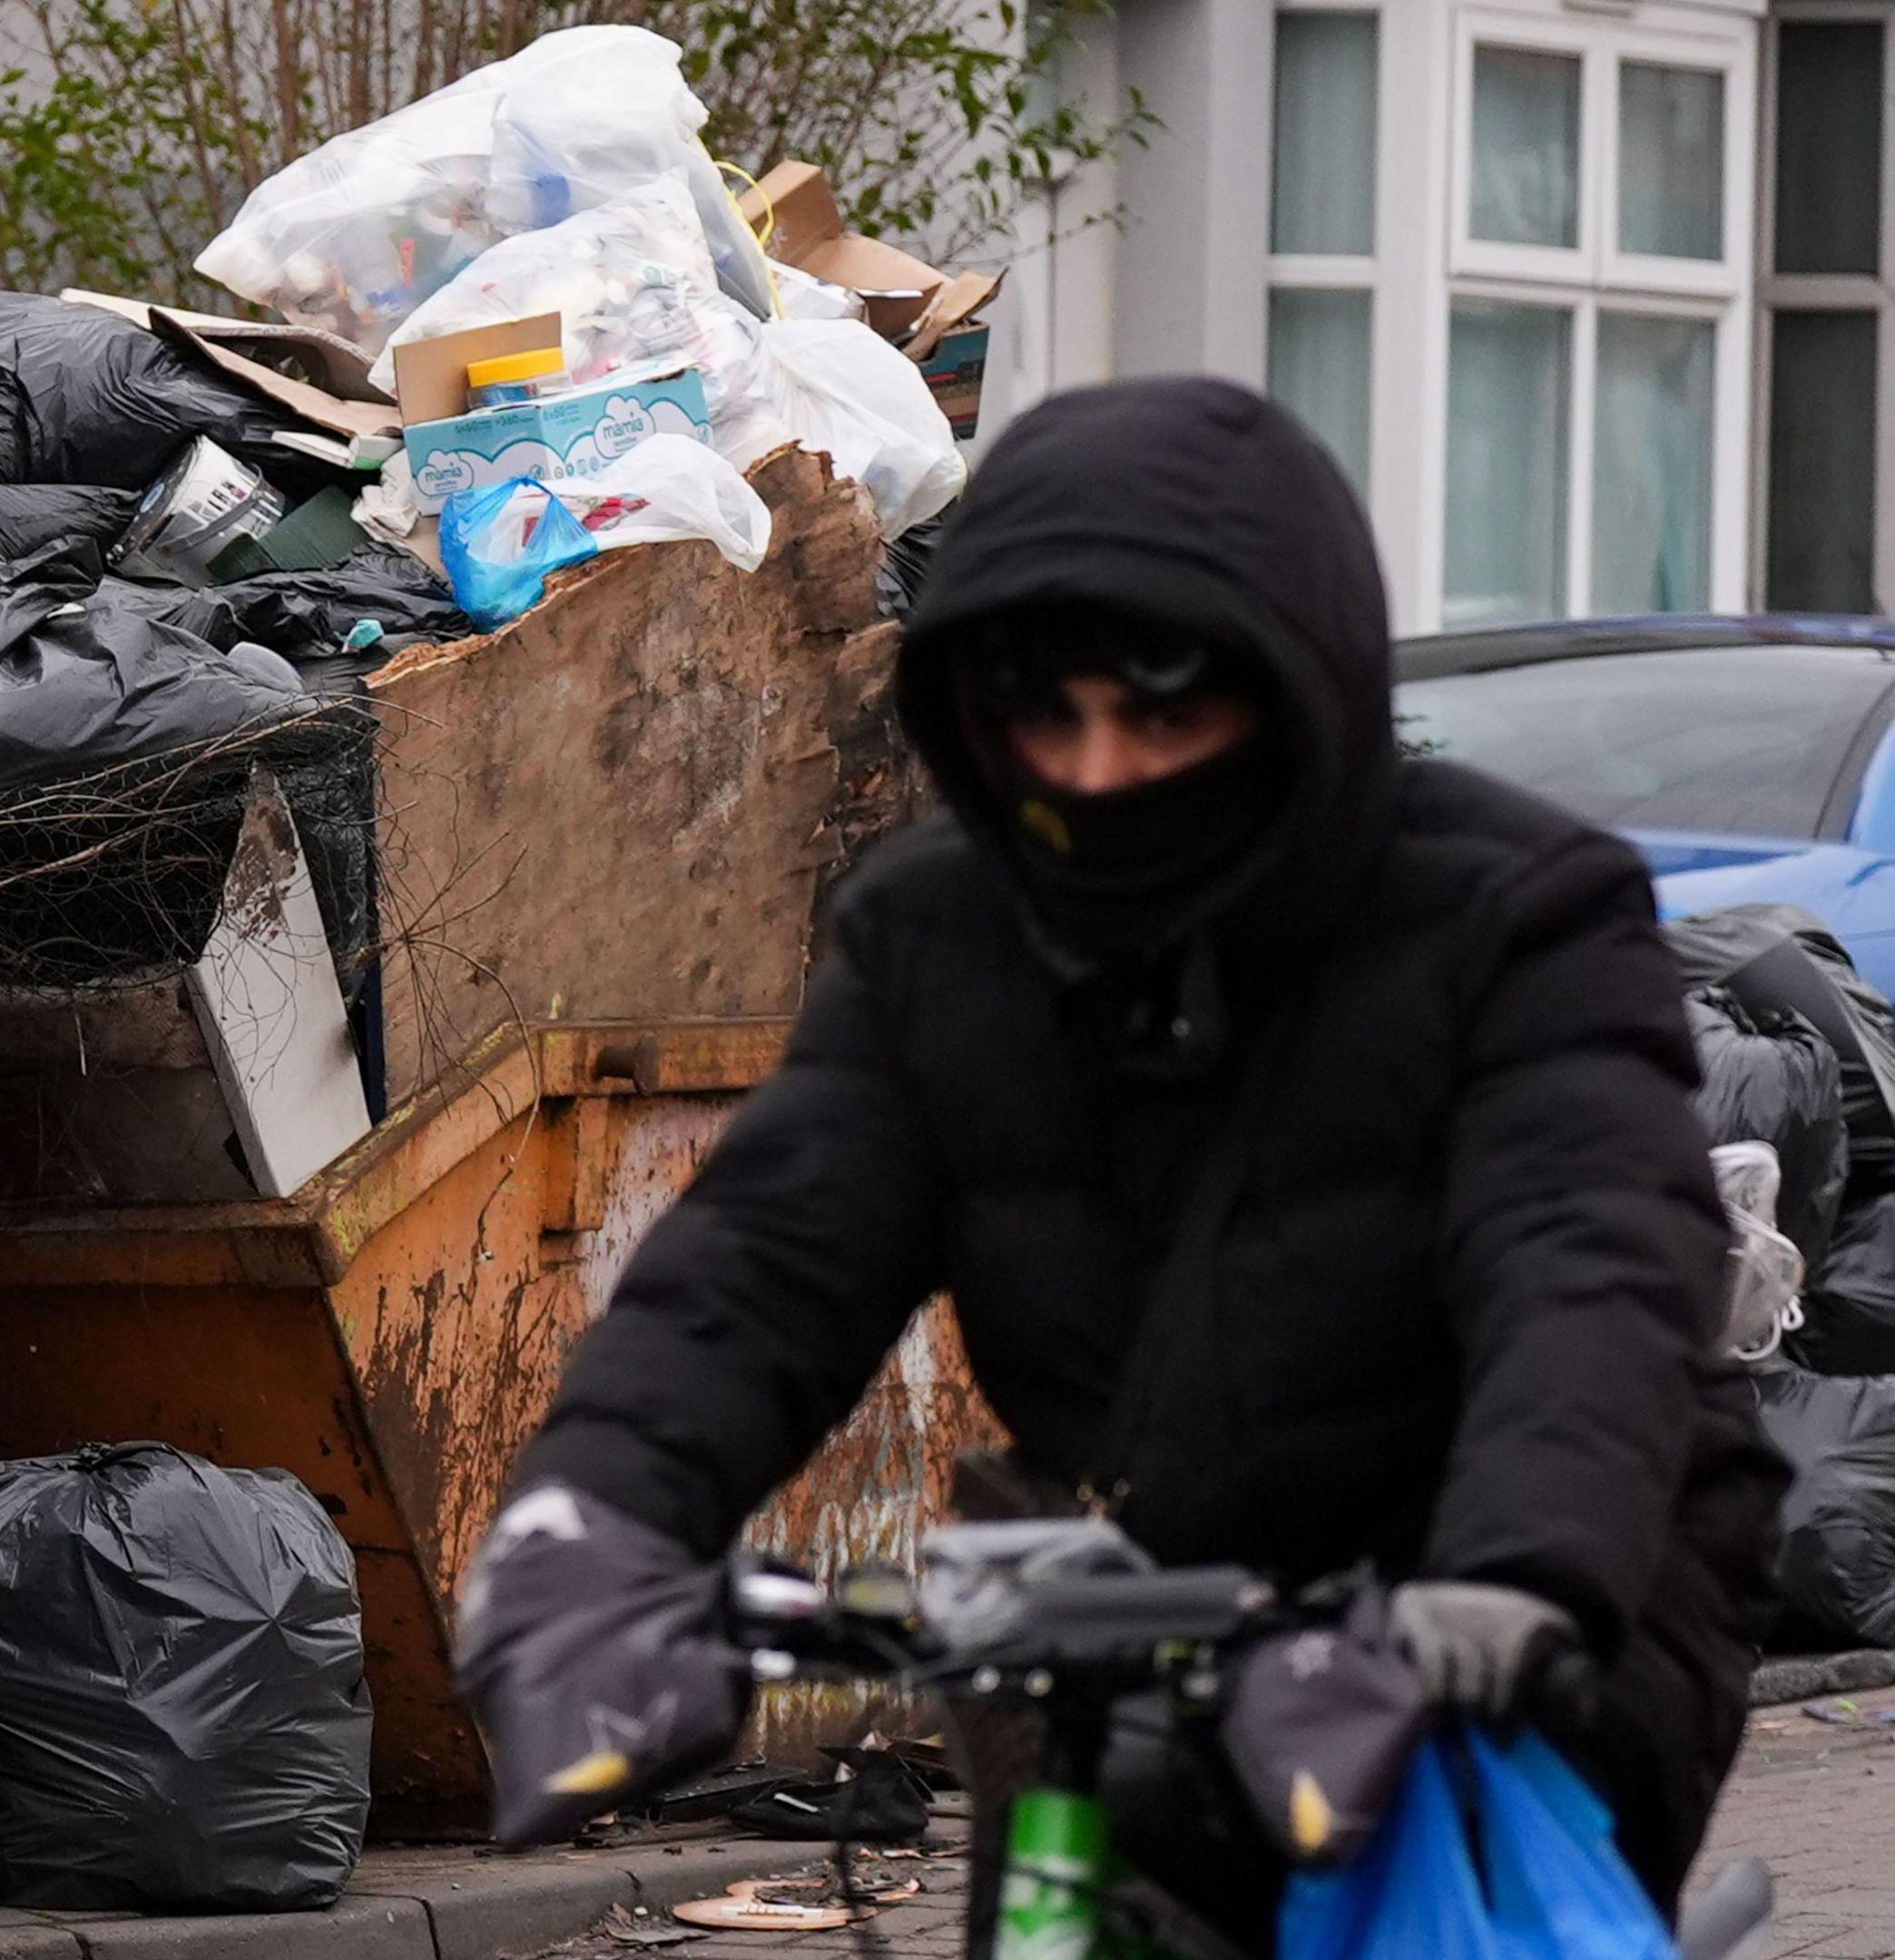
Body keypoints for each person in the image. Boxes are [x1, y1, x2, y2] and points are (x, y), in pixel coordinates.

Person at [456, 377, 1786, 1940]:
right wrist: (594, 1519)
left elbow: (1589, 1264)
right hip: (1158, 1571)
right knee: (1075, 1917)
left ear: (1299, 696)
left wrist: (1519, 1575)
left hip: (1541, 1567)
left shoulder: (1517, 912)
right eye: (1046, 715)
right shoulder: (931, 934)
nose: (1094, 774)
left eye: (1164, 712)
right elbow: (760, 1270)